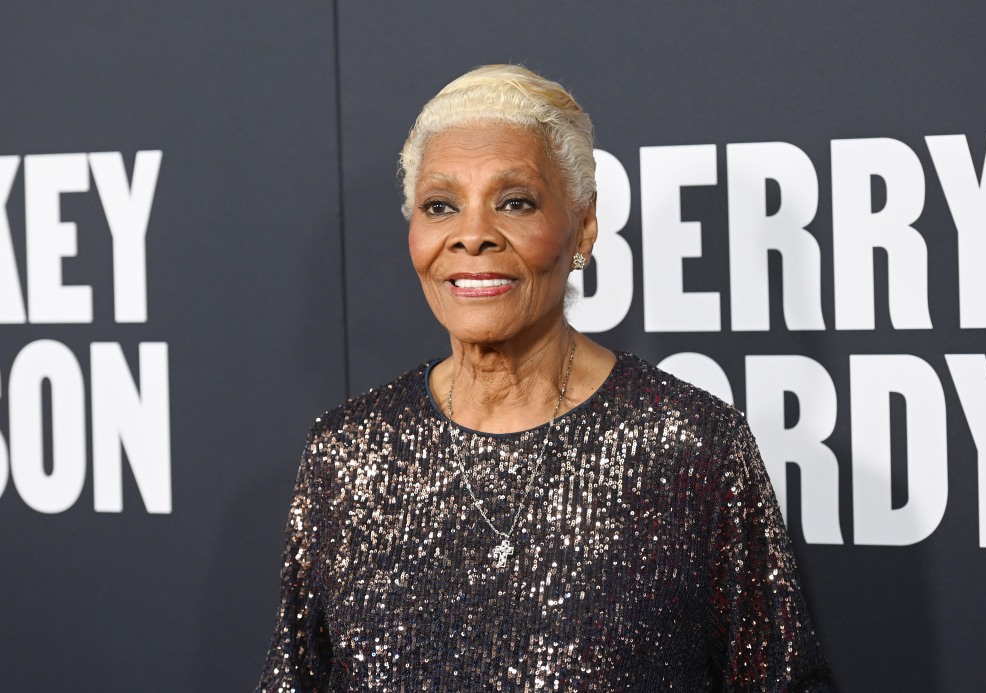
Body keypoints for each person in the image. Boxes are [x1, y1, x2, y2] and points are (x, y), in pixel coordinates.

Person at [257, 64, 835, 691]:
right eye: (440, 206)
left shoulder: (690, 446)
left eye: (515, 202)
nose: (472, 236)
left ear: (583, 224)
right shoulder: (347, 454)